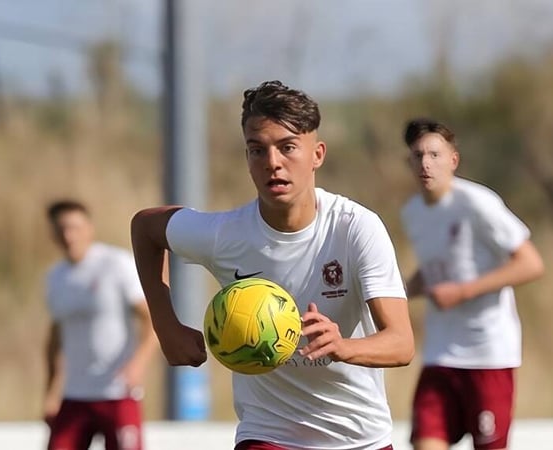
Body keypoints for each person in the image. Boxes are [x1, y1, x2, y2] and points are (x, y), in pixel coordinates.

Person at [130, 80, 415, 450]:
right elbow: (146, 227)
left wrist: (343, 346)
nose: (272, 162)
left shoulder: (354, 228)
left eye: (288, 147)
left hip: (359, 438)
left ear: (317, 154)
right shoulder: (226, 234)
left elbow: (401, 343)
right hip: (268, 433)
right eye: (257, 150)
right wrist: (166, 326)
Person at [400, 119, 545, 450]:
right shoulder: (413, 213)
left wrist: (463, 292)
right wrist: (397, 294)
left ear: (453, 160)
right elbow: (434, 268)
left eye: (434, 154)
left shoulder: (477, 203)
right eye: (418, 155)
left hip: (487, 354)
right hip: (439, 354)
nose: (425, 164)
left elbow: (531, 263)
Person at [43, 200, 158, 450]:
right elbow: (55, 338)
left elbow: (150, 318)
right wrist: (51, 393)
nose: (69, 236)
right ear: (53, 234)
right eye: (62, 229)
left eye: (74, 228)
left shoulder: (116, 264)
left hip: (117, 392)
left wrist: (138, 364)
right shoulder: (55, 277)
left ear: (89, 229)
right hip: (75, 394)